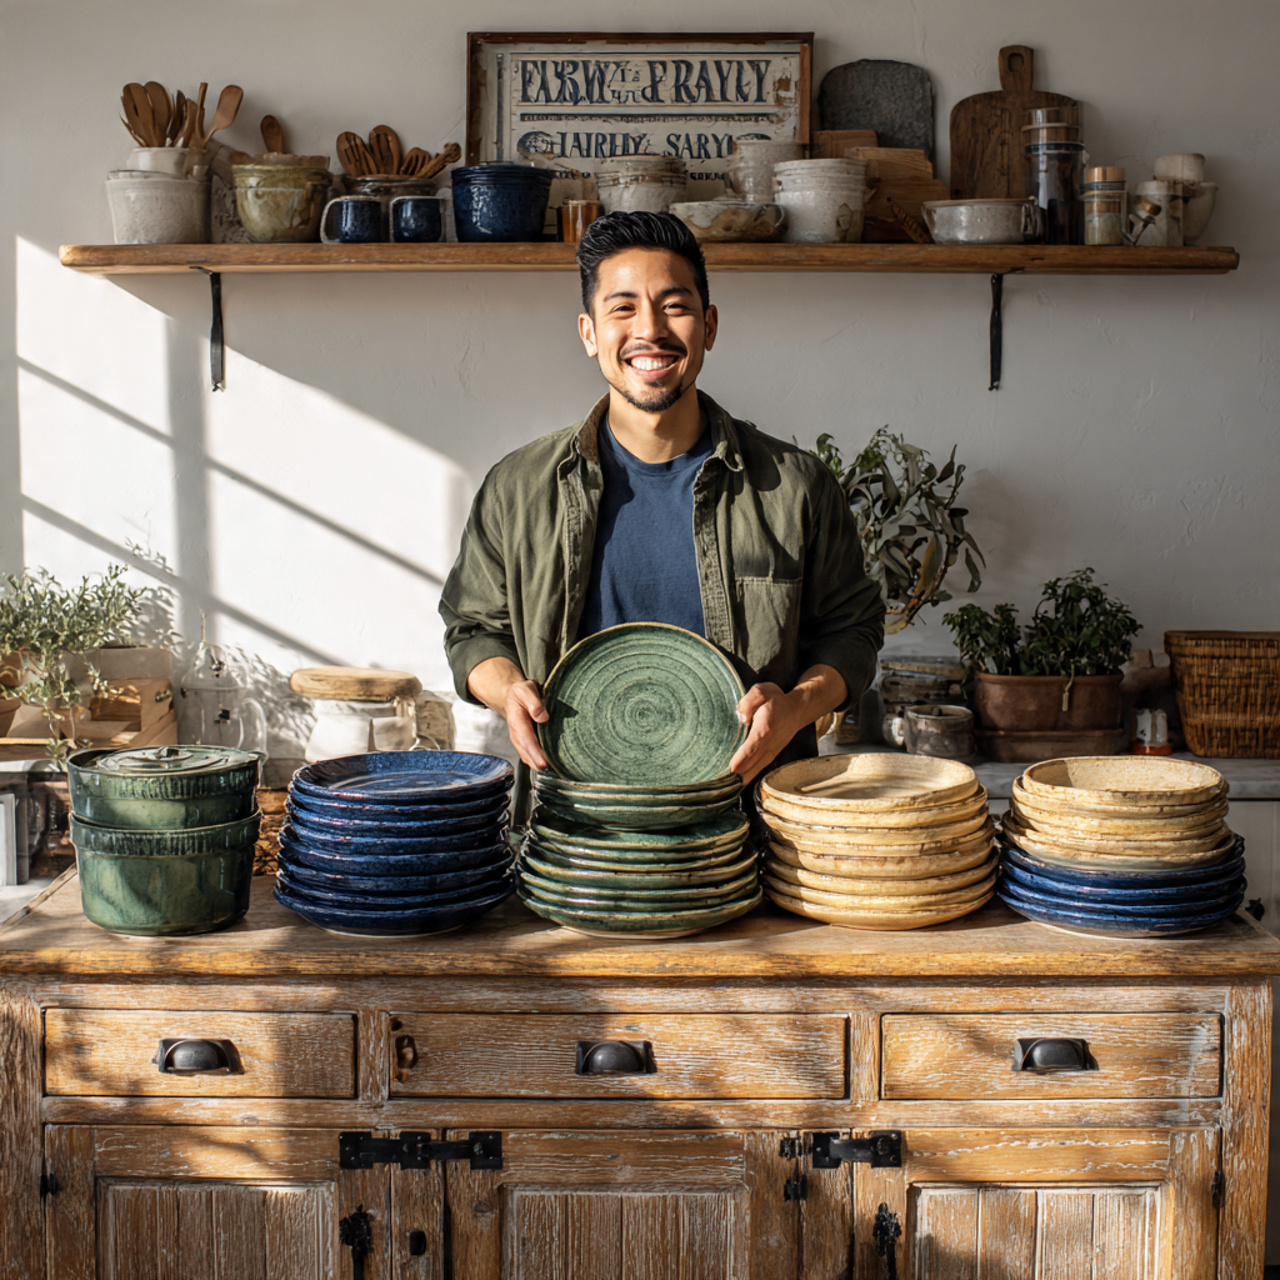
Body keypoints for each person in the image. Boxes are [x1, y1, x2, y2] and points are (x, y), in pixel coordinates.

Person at [440, 210, 884, 784]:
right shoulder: (518, 487)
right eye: (622, 308)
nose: (649, 329)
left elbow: (853, 631)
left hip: (750, 823)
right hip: (574, 831)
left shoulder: (795, 485)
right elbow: (472, 629)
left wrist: (797, 706)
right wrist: (507, 692)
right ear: (589, 332)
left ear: (711, 325)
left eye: (675, 306)